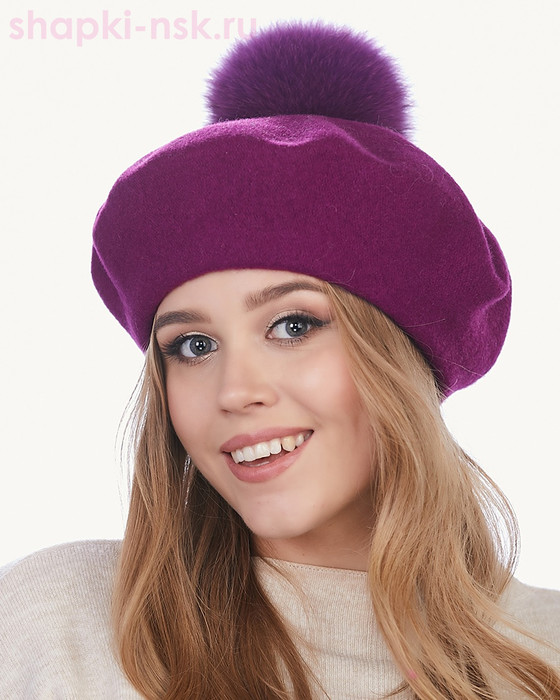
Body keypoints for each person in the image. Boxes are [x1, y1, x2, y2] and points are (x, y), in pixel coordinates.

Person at [1, 21, 559, 700]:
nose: (236, 391)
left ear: (400, 356)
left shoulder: (544, 653)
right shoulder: (58, 623)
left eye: (293, 326)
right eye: (194, 346)